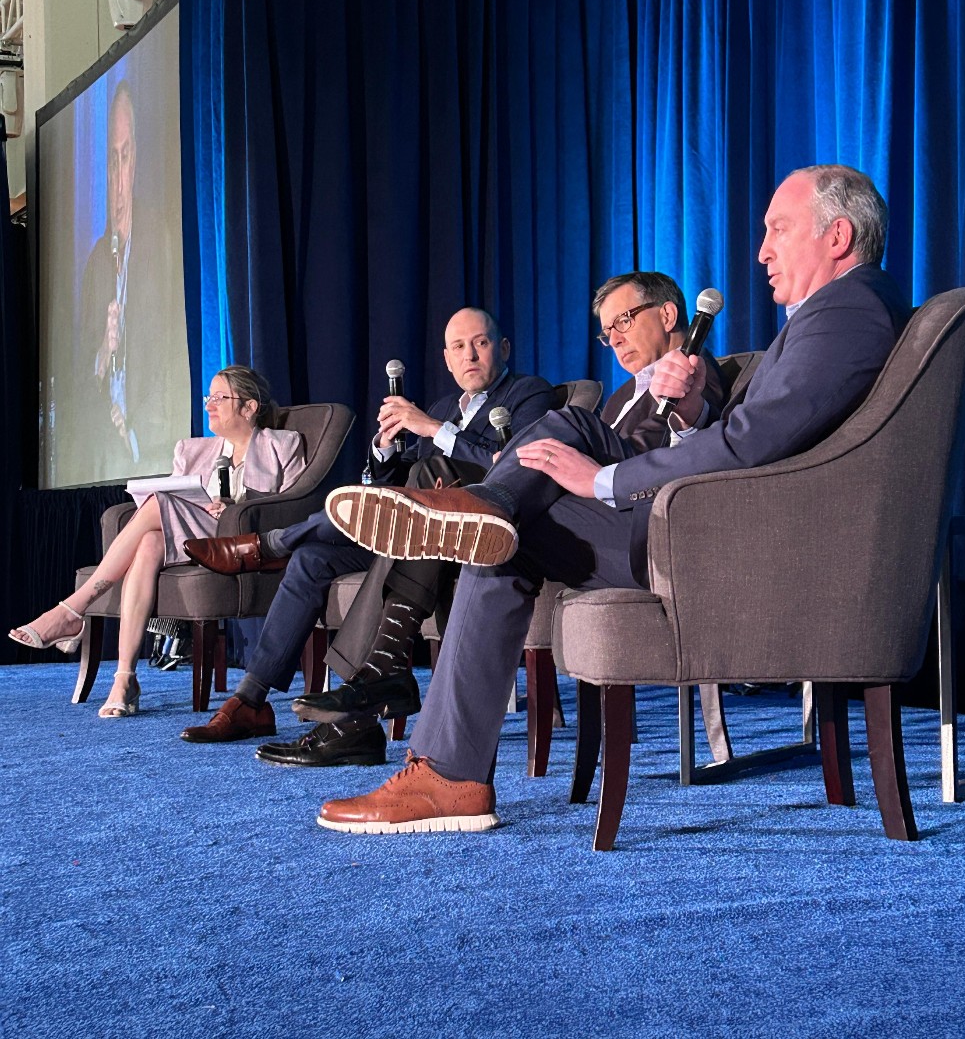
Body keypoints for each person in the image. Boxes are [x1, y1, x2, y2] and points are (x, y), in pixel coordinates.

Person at [312, 164, 914, 835]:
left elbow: (748, 446)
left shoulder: (848, 311)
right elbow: (758, 440)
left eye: (778, 229)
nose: (762, 250)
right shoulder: (838, 313)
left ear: (837, 235)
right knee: (515, 515)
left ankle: (449, 770)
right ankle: (448, 760)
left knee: (520, 504)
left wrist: (600, 481)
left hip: (724, 548)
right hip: (711, 526)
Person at [284, 271, 739, 752]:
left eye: (623, 320)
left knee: (555, 435)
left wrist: (686, 408)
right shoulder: (625, 395)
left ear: (668, 314)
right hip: (585, 516)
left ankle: (478, 508)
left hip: (644, 529)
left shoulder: (696, 370)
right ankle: (377, 686)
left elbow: (687, 453)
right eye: (607, 332)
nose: (615, 339)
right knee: (471, 527)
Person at [177, 308, 554, 752]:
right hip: (414, 537)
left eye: (481, 342)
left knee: (427, 473)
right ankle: (250, 700)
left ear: (503, 348)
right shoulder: (442, 407)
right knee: (313, 559)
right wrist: (385, 450)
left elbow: (512, 466)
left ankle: (271, 548)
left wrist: (432, 431)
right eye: (458, 347)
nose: (469, 354)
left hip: (474, 539)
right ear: (446, 359)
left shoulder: (530, 393)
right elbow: (396, 484)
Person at [9, 366, 304, 718]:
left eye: (218, 398)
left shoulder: (282, 444)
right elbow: (179, 501)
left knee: (156, 506)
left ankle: (73, 610)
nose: (209, 405)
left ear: (249, 406)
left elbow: (292, 507)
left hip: (243, 540)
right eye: (207, 397)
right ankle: (124, 678)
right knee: (149, 542)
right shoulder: (192, 451)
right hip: (194, 536)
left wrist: (237, 505)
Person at [79, 79, 188, 478]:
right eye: (112, 160)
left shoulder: (160, 241)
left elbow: (172, 358)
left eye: (126, 157)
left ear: (137, 160)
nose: (119, 178)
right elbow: (79, 385)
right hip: (110, 453)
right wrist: (104, 353)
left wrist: (137, 433)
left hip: (154, 448)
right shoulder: (95, 263)